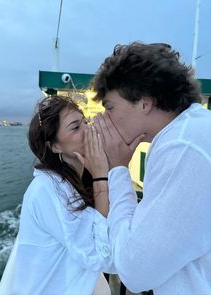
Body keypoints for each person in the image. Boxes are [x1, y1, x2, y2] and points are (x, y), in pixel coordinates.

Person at [86, 42, 211, 295]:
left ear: (145, 102)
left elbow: (135, 271)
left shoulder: (182, 146)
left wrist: (118, 168)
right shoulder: (189, 133)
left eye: (109, 108)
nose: (105, 119)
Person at [0, 95, 115, 295]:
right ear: (55, 146)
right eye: (76, 127)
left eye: (85, 121)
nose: (88, 128)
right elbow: (97, 252)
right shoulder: (48, 189)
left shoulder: (80, 178)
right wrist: (100, 175)